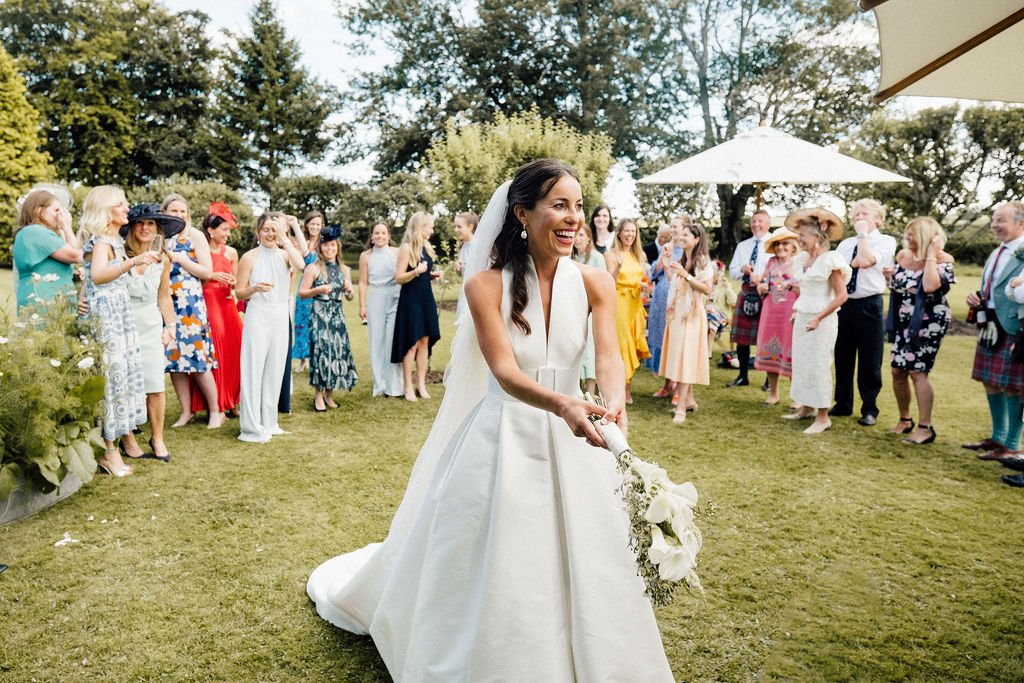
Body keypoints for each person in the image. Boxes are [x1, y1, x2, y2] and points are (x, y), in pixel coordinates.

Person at [307, 158, 674, 681]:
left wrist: (614, 402)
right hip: (505, 434)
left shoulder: (596, 281)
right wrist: (563, 404)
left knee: (590, 553)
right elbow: (503, 371)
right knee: (502, 557)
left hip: (582, 436)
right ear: (522, 213)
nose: (572, 218)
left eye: (577, 206)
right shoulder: (484, 286)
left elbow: (610, 357)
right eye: (559, 206)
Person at [78, 186, 159, 476]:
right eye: (120, 205)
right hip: (106, 319)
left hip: (117, 316)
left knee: (118, 381)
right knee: (110, 384)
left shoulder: (111, 239)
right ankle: (109, 453)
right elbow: (98, 276)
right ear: (106, 211)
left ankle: (112, 446)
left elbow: (89, 279)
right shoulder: (102, 242)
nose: (127, 208)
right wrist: (133, 262)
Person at [235, 212, 306, 443]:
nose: (270, 233)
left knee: (275, 369)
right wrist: (254, 288)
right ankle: (251, 426)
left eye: (274, 229)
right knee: (253, 368)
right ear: (258, 232)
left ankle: (270, 421)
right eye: (266, 229)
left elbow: (301, 264)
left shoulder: (286, 255)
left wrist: (285, 238)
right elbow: (239, 291)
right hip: (258, 314)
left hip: (279, 313)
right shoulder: (249, 257)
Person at [964, 201, 1024, 464]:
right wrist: (977, 298)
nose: (994, 225)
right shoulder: (997, 252)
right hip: (989, 323)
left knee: (1013, 386)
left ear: (1020, 223)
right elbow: (992, 287)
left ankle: (1011, 444)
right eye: (994, 220)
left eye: (1001, 220)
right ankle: (997, 436)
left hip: (1013, 325)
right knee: (990, 381)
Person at [887, 217, 956, 445]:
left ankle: (926, 427)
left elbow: (929, 286)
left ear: (925, 237)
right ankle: (905, 419)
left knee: (918, 372)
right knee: (898, 370)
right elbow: (898, 286)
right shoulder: (902, 256)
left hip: (929, 322)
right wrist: (889, 276)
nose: (906, 238)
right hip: (902, 320)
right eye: (906, 233)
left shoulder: (943, 259)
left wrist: (930, 256)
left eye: (911, 234)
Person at [782, 208, 851, 434]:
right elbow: (810, 287)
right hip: (803, 315)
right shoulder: (804, 259)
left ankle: (823, 416)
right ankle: (806, 407)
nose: (798, 240)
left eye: (802, 236)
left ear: (818, 237)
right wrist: (793, 289)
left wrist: (818, 318)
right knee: (802, 362)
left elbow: (841, 295)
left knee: (819, 364)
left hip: (822, 319)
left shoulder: (830, 261)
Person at [122, 204, 181, 462]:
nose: (145, 228)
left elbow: (163, 295)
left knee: (156, 386)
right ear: (132, 227)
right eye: (140, 223)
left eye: (151, 224)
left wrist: (171, 326)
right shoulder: (119, 255)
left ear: (157, 229)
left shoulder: (163, 259)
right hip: (123, 324)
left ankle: (157, 437)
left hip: (150, 325)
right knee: (123, 384)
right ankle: (127, 437)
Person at [831, 199, 898, 426]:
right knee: (843, 356)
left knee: (870, 359)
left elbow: (866, 260)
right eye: (856, 213)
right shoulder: (845, 244)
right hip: (845, 304)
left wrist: (863, 235)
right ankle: (842, 402)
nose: (859, 217)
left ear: (878, 219)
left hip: (869, 303)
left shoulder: (886, 241)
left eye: (865, 213)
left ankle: (869, 408)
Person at [160, 194, 224, 429]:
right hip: (167, 304)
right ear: (164, 212)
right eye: (174, 211)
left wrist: (180, 258)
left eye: (183, 211)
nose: (179, 215)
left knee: (198, 359)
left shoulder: (195, 236)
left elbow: (207, 272)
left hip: (190, 304)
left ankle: (216, 411)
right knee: (174, 360)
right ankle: (186, 411)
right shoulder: (160, 236)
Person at [191, 202, 243, 419]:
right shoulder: (198, 252)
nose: (228, 234)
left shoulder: (231, 253)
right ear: (211, 231)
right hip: (208, 304)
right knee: (216, 353)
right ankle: (216, 403)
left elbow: (238, 284)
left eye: (229, 230)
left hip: (227, 305)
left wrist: (232, 282)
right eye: (224, 230)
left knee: (234, 352)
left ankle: (232, 401)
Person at [299, 225, 357, 411]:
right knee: (321, 352)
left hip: (337, 315)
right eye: (326, 246)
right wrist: (318, 289)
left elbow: (349, 297)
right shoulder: (313, 268)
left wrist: (349, 291)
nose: (329, 249)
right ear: (320, 248)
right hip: (319, 313)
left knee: (337, 352)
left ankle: (329, 395)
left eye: (332, 245)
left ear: (337, 247)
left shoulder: (343, 269)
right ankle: (318, 395)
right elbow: (302, 293)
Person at [660, 222, 714, 423]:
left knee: (686, 359)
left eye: (686, 235)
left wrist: (687, 275)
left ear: (697, 239)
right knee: (681, 357)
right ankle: (689, 400)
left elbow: (707, 289)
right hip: (677, 314)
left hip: (691, 316)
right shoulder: (682, 258)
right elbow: (674, 281)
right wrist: (667, 265)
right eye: (681, 234)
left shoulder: (702, 261)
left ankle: (681, 407)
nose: (681, 238)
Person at [391, 211, 441, 402]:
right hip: (410, 300)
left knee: (424, 342)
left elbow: (422, 275)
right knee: (411, 343)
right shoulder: (406, 248)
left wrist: (430, 275)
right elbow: (399, 277)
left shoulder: (426, 248)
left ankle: (421, 384)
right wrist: (417, 271)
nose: (432, 230)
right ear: (420, 227)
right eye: (430, 226)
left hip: (426, 298)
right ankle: (407, 386)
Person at [754, 226, 801, 406]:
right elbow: (762, 283)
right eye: (778, 244)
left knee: (791, 350)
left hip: (791, 309)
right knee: (771, 348)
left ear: (793, 246)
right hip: (771, 309)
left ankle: (796, 397)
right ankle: (773, 394)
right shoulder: (771, 262)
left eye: (785, 244)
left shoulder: (799, 263)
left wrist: (791, 286)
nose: (781, 247)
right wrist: (761, 287)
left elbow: (804, 288)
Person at [605, 218, 650, 404]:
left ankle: (628, 387)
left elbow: (643, 279)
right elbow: (608, 281)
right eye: (627, 231)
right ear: (619, 233)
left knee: (631, 344)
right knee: (622, 346)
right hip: (619, 304)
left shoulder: (640, 255)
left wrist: (644, 287)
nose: (630, 235)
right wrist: (618, 268)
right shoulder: (611, 254)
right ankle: (621, 391)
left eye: (633, 231)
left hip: (635, 303)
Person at [12, 189, 81, 311]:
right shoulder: (36, 232)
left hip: (46, 299)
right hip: (45, 301)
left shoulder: (29, 233)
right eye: (56, 210)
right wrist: (67, 228)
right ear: (40, 212)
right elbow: (76, 256)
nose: (61, 215)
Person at [358, 221, 404, 397]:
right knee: (376, 341)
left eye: (383, 233)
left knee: (393, 341)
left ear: (389, 235)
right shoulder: (366, 256)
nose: (380, 236)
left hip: (395, 297)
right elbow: (362, 282)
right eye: (377, 233)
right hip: (376, 297)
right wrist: (362, 305)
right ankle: (379, 384)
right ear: (371, 236)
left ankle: (395, 386)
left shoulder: (396, 252)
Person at [726, 209, 771, 387]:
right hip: (746, 292)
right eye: (753, 221)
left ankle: (769, 380)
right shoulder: (743, 246)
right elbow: (732, 271)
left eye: (760, 221)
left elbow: (780, 269)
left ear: (768, 224)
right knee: (742, 339)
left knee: (767, 338)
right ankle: (743, 376)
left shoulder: (775, 244)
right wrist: (741, 269)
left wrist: (763, 278)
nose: (756, 225)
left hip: (766, 294)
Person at [648, 217, 685, 395]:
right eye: (671, 226)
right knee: (662, 338)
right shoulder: (667, 247)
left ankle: (678, 387)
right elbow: (653, 272)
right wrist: (663, 258)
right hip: (660, 298)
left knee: (675, 340)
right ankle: (667, 383)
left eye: (675, 226)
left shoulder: (686, 249)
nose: (672, 229)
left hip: (677, 299)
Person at [572, 223, 605, 397]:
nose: (578, 238)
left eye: (582, 235)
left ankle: (591, 393)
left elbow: (603, 286)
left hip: (591, 310)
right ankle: (574, 390)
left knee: (591, 349)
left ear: (589, 238)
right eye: (576, 235)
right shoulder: (569, 257)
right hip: (573, 311)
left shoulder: (597, 258)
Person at [292, 211, 323, 372]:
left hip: (319, 287)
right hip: (304, 287)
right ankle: (303, 360)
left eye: (318, 224)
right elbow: (297, 265)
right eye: (312, 224)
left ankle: (315, 358)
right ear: (307, 225)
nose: (315, 227)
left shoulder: (324, 243)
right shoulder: (301, 243)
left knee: (316, 325)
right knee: (301, 323)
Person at [452, 211, 478, 275]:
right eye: (455, 226)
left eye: (459, 227)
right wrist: (458, 268)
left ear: (470, 227)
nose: (456, 230)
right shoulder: (462, 245)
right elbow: (461, 274)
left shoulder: (478, 246)